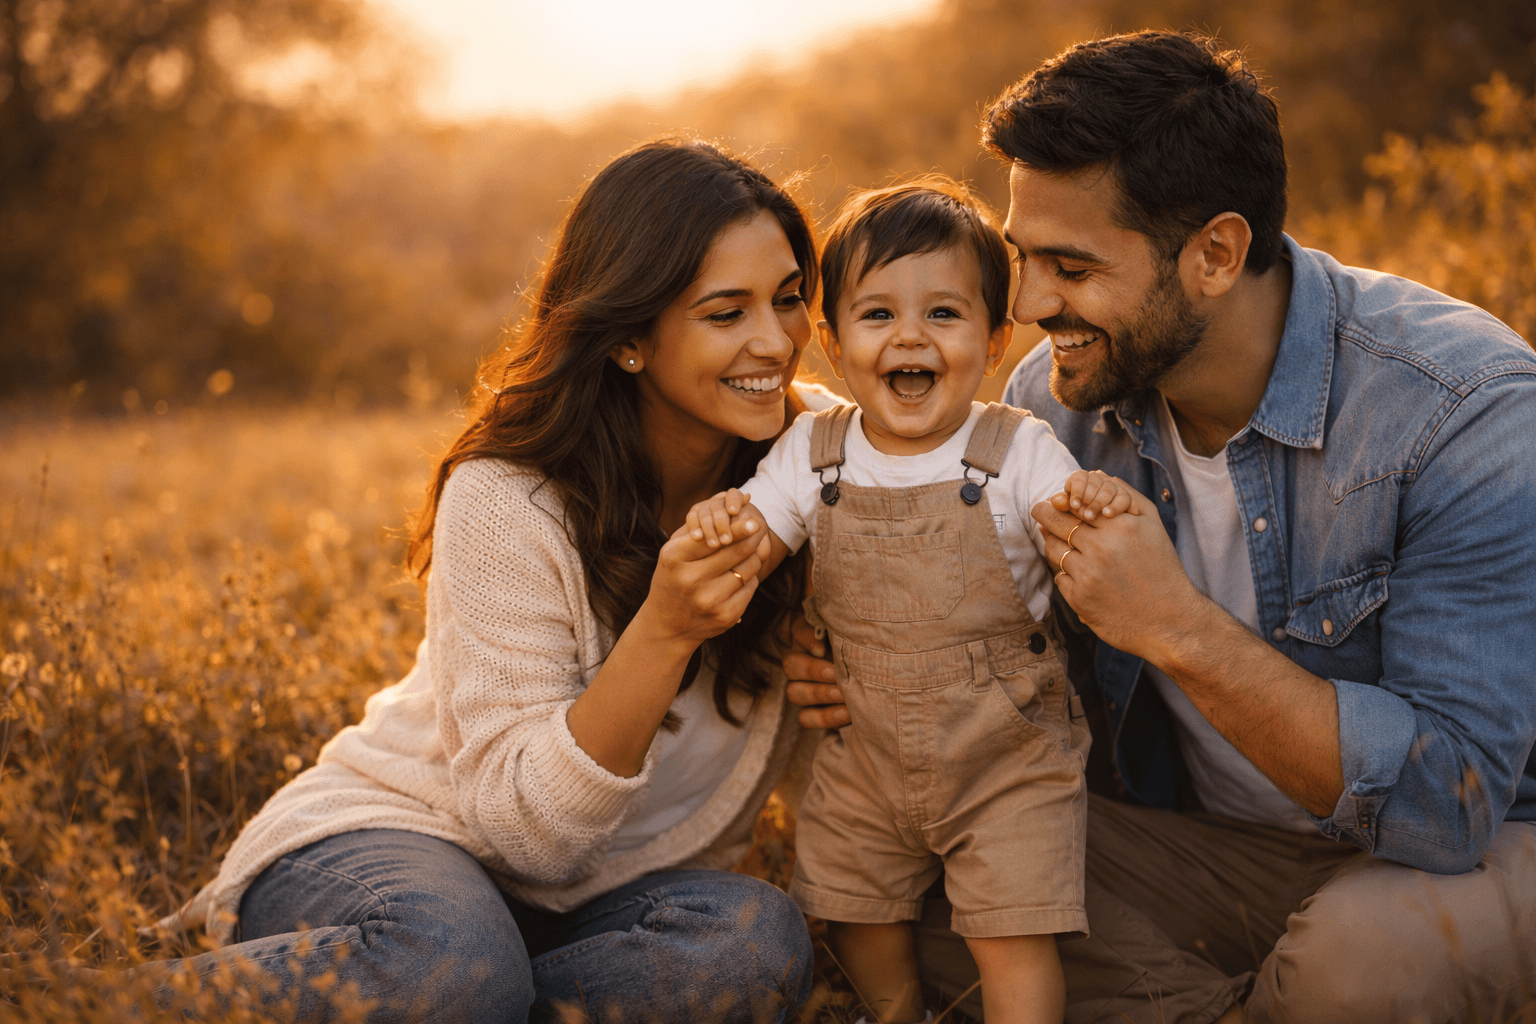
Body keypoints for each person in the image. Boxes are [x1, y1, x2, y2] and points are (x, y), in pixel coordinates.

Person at [785, 30, 1536, 1024]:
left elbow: (1452, 800)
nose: (1032, 301)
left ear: (1216, 254)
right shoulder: (1053, 407)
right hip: (1202, 854)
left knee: (1352, 970)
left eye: (1070, 264)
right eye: (1022, 257)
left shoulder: (1463, 408)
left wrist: (1176, 626)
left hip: (1470, 852)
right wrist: (856, 649)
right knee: (924, 871)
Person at [139, 139, 836, 1023]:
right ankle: (63, 1006)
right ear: (627, 337)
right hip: (403, 840)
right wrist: (663, 633)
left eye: (787, 300)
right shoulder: (510, 500)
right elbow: (526, 835)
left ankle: (444, 1001)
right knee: (450, 957)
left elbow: (954, 465)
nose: (775, 342)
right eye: (725, 312)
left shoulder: (822, 456)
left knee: (753, 945)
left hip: (593, 908)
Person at [686, 180, 1136, 1024]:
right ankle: (895, 1013)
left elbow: (1074, 526)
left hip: (1005, 754)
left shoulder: (1016, 448)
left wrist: (1096, 509)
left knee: (1013, 930)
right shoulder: (810, 452)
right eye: (879, 314)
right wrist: (726, 520)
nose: (910, 337)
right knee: (856, 912)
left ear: (995, 340)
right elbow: (758, 538)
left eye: (943, 314)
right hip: (862, 756)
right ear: (830, 342)